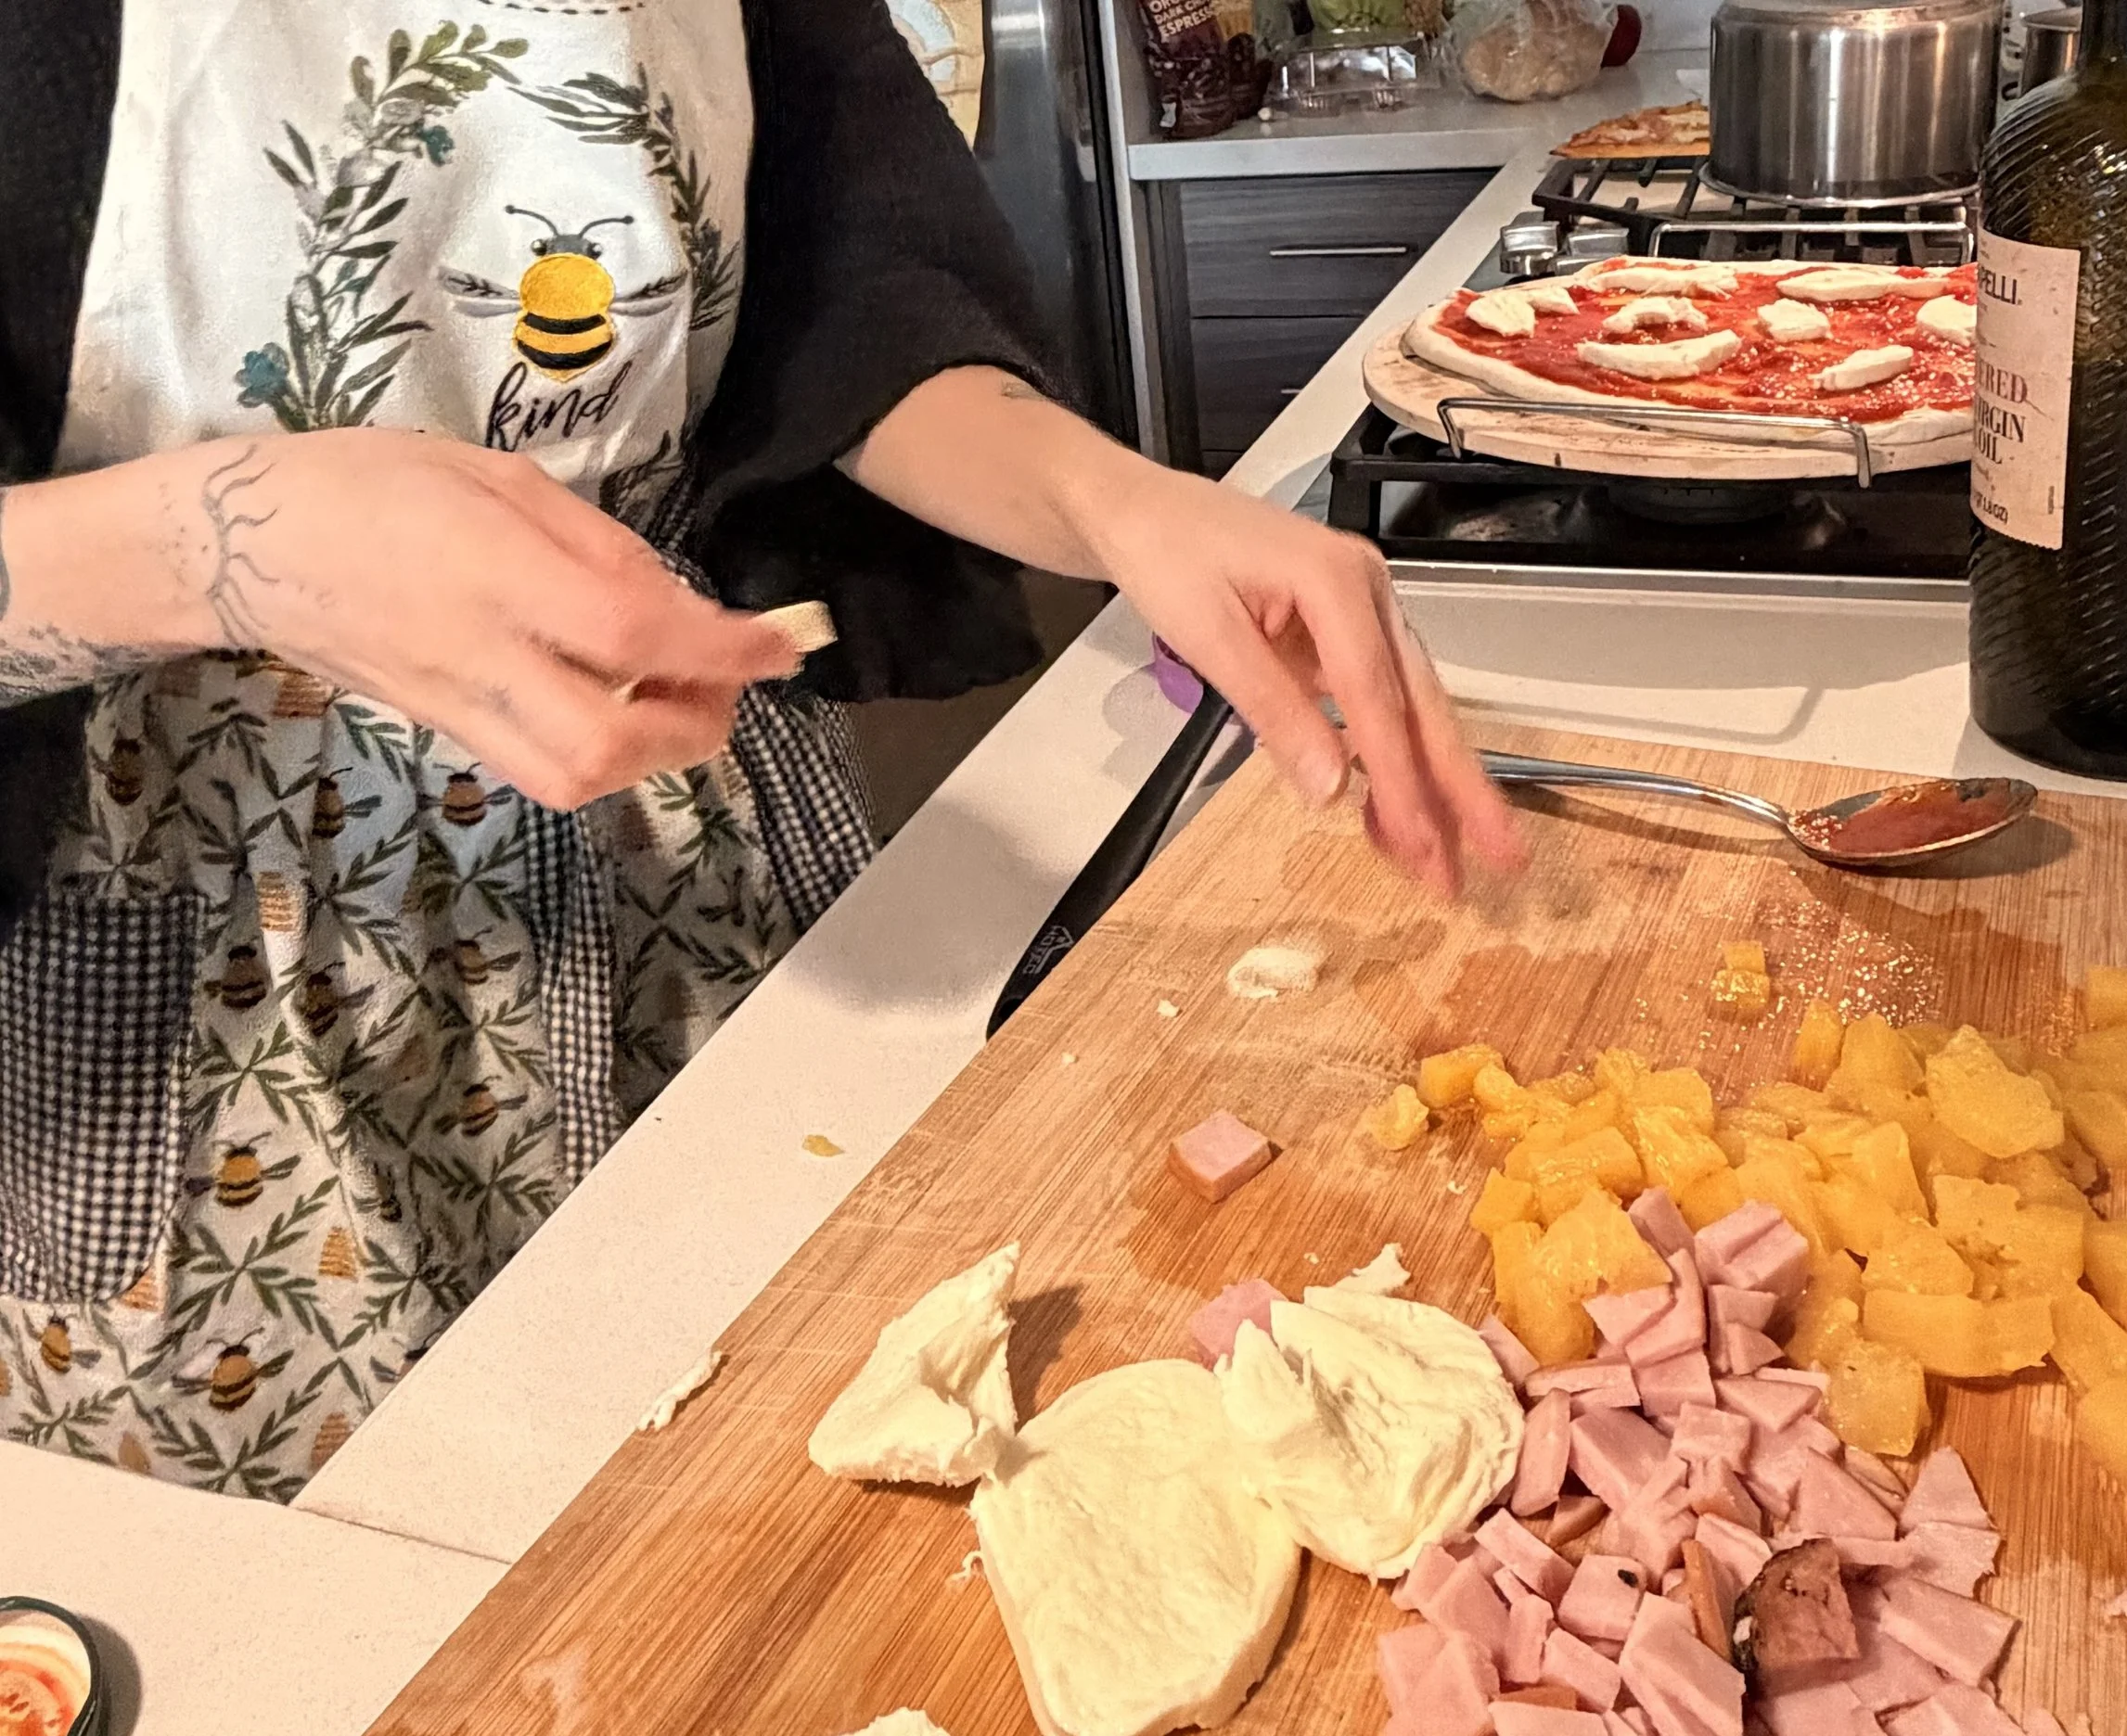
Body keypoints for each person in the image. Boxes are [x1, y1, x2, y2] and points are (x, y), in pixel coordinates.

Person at [0, 0, 1519, 1497]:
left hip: (688, 852)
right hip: (206, 966)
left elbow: (843, 303)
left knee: (776, 1492)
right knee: (325, 1641)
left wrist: (1115, 500)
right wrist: (219, 550)